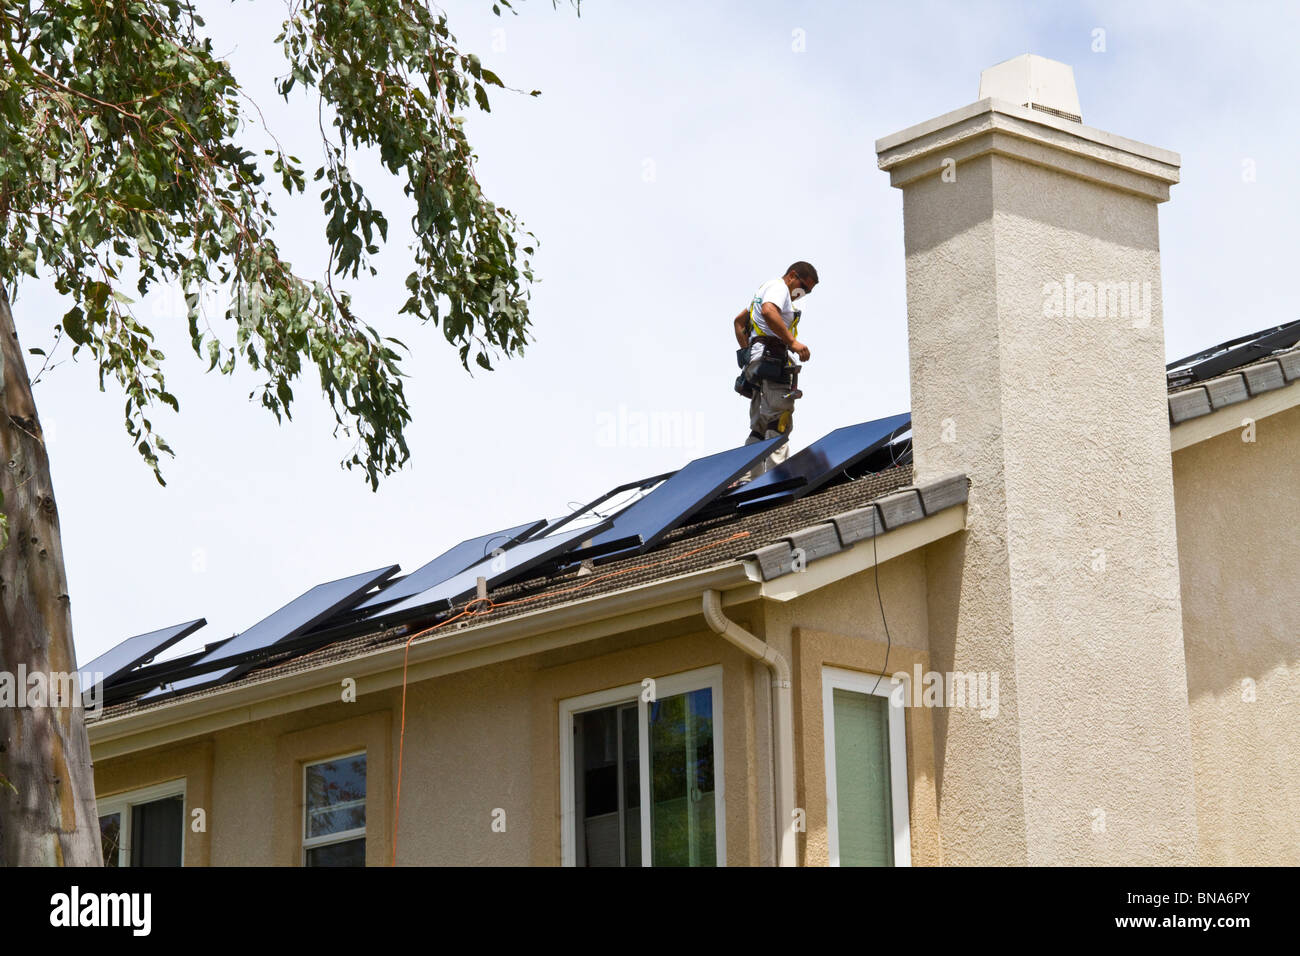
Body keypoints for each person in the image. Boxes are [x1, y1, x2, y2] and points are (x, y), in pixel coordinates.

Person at [731, 261, 818, 482]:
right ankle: (777, 476)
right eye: (804, 287)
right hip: (771, 359)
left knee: (760, 425)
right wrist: (793, 342)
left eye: (808, 291)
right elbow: (769, 311)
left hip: (759, 364)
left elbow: (739, 322)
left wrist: (748, 353)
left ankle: (747, 477)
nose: (803, 293)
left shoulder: (764, 290)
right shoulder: (780, 288)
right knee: (779, 418)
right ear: (792, 275)